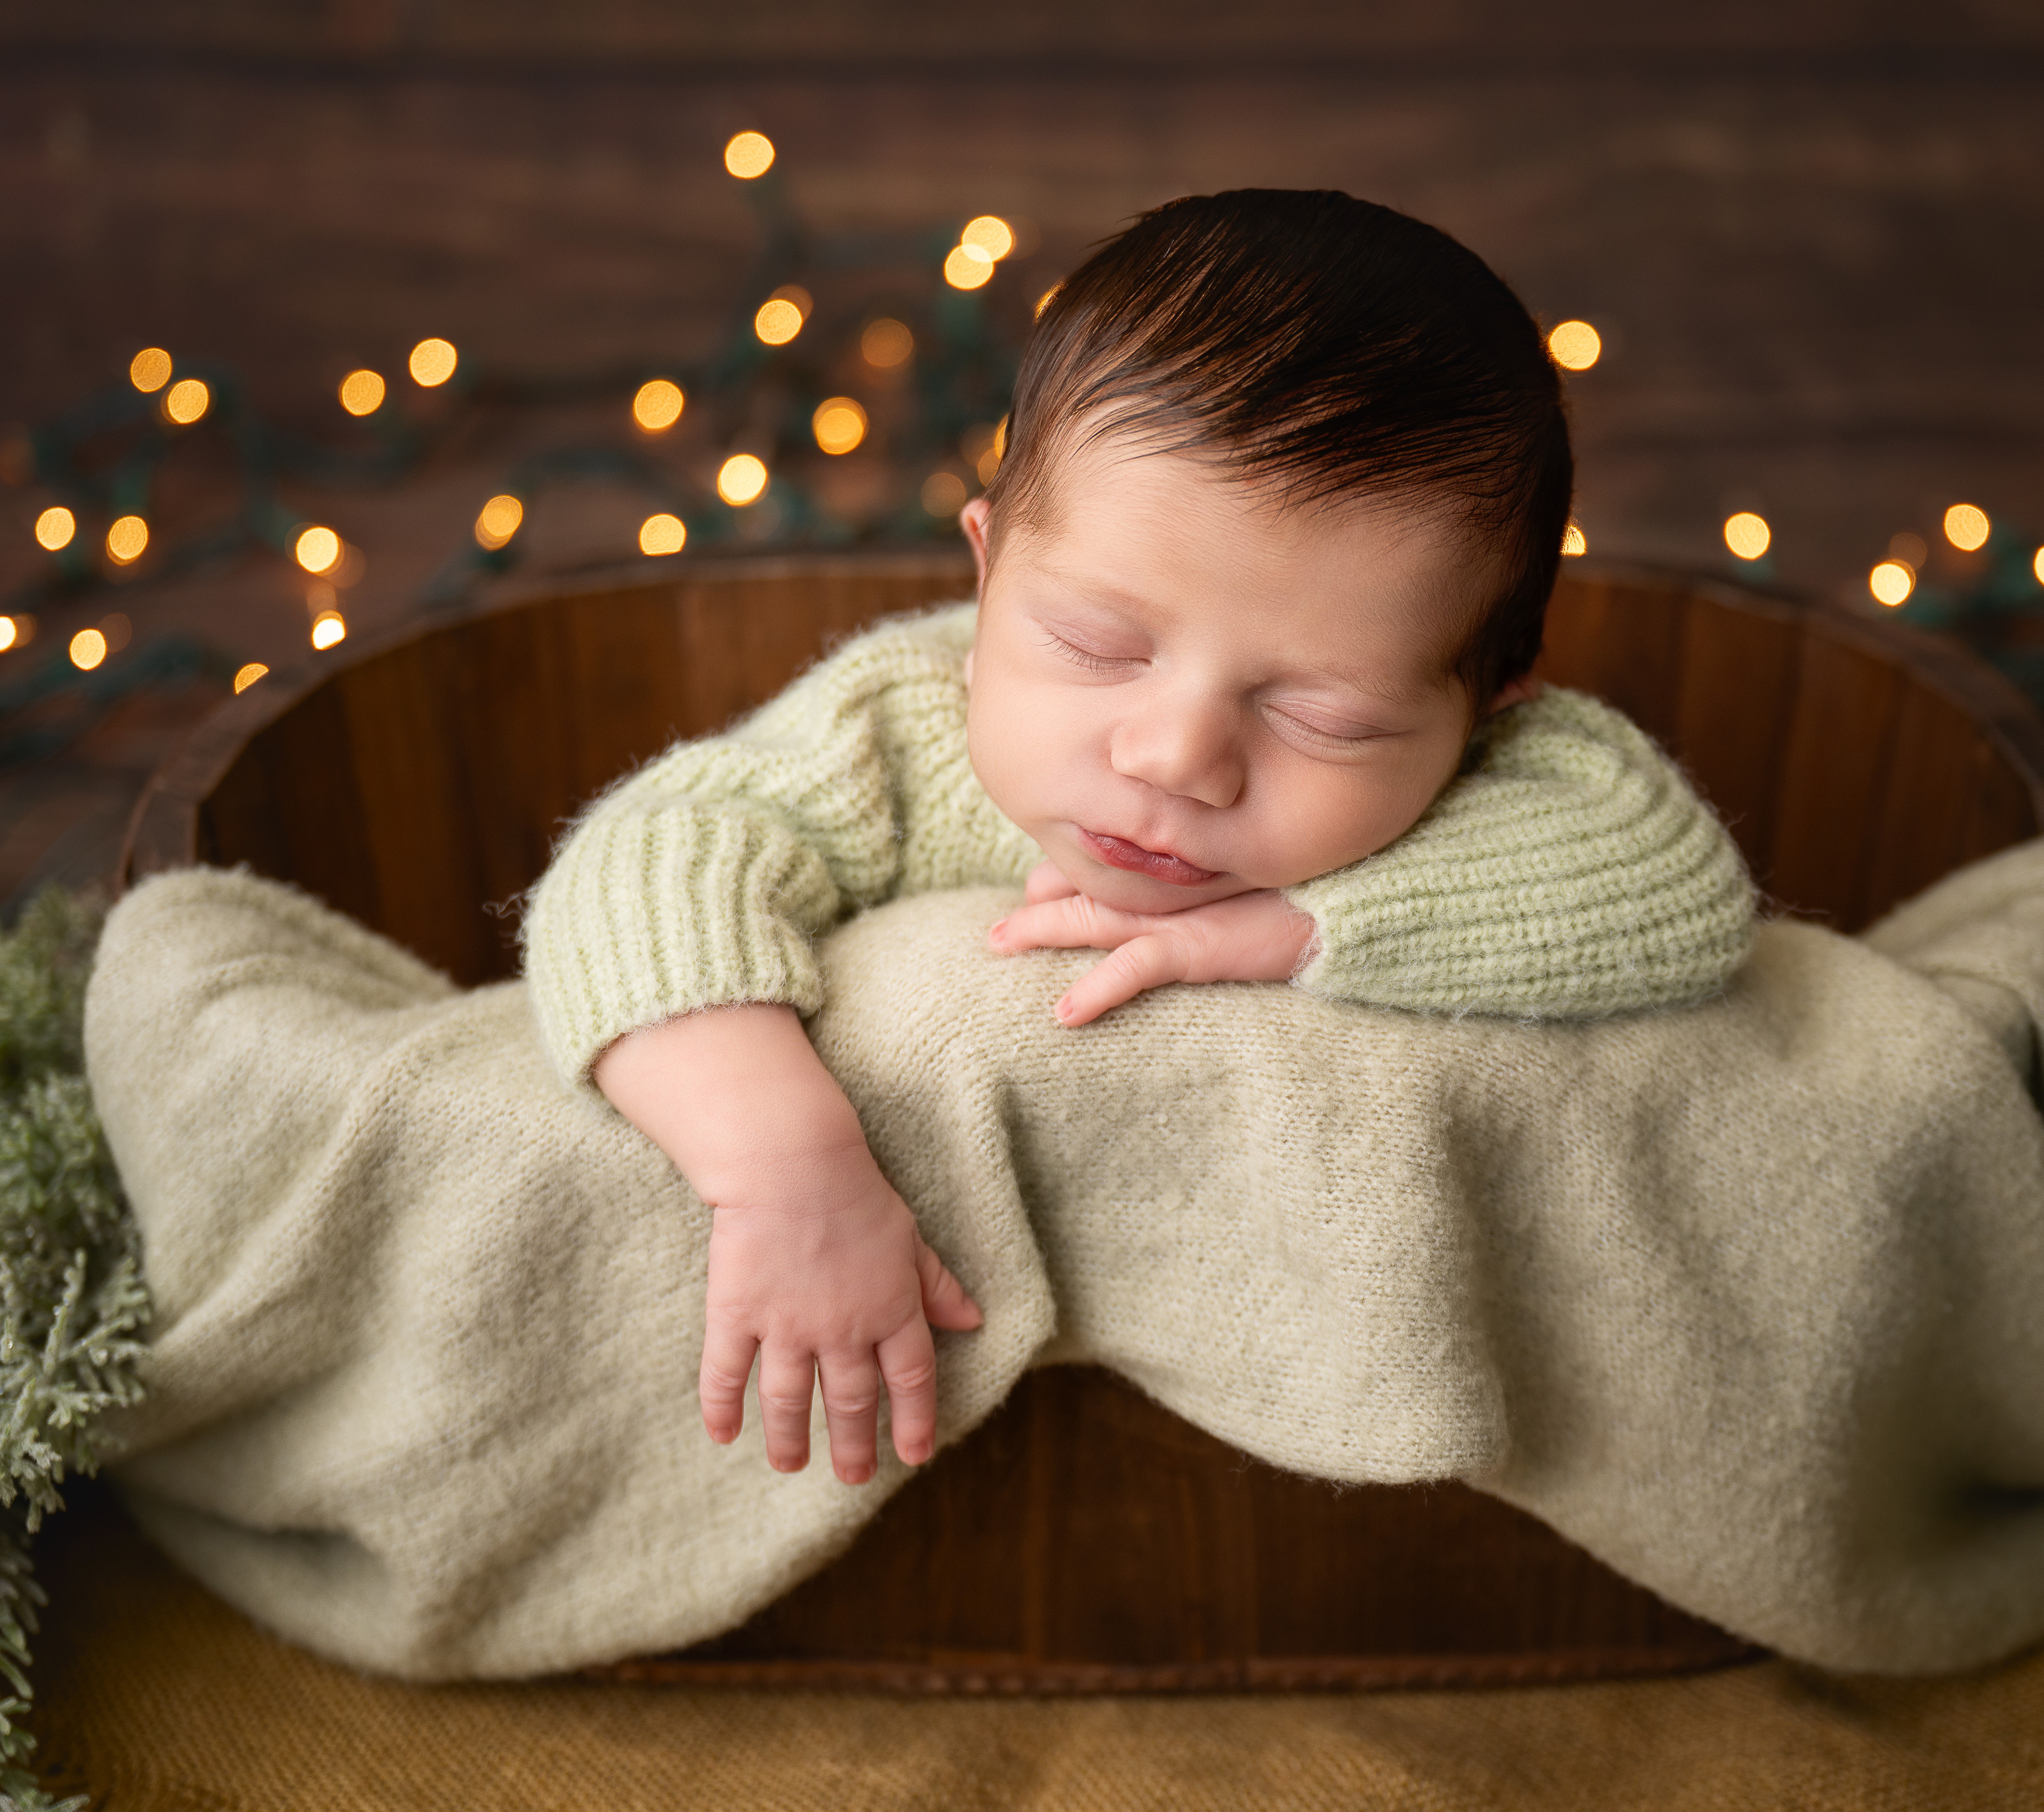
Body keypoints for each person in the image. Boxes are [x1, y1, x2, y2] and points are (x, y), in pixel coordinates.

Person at [521, 189, 1755, 1492]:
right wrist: (786, 1171)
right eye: (1096, 647)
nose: (1174, 758)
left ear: (1483, 706)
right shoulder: (894, 730)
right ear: (988, 572)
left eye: (1321, 716)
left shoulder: (1513, 778)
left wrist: (1289, 929)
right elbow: (638, 873)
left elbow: (1677, 886)